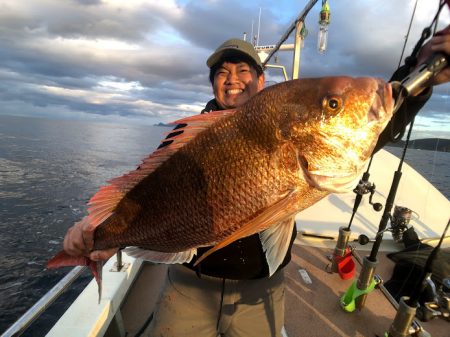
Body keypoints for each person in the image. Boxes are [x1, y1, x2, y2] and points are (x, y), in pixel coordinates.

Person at [62, 26, 450, 337]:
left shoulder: (287, 121)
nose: (233, 80)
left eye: (243, 70)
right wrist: (93, 232)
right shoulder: (184, 141)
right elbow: (137, 201)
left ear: (261, 81)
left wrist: (422, 67)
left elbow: (379, 120)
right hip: (187, 286)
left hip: (259, 291)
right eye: (222, 73)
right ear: (213, 84)